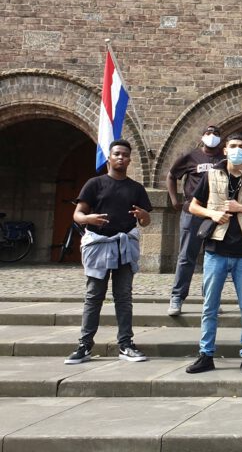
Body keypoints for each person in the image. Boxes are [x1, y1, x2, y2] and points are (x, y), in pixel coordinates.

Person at [185, 132, 242, 375]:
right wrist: (212, 214)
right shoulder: (212, 174)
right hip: (216, 249)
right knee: (209, 305)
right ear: (225, 150)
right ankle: (206, 354)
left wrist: (241, 208)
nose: (237, 150)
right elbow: (193, 205)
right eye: (233, 146)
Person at [65, 139, 153, 364]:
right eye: (117, 154)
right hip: (99, 245)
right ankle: (84, 345)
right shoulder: (94, 184)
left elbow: (145, 221)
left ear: (130, 159)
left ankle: (125, 344)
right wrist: (88, 219)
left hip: (124, 245)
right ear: (109, 158)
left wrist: (143, 216)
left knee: (123, 296)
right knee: (94, 296)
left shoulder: (136, 188)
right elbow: (78, 214)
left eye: (125, 154)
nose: (121, 157)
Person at [166, 125, 224, 316]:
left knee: (214, 258)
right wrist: (174, 199)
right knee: (186, 256)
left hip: (215, 214)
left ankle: (211, 298)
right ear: (202, 136)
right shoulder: (191, 156)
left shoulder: (223, 160)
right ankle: (177, 297)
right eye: (208, 133)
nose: (212, 137)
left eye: (216, 134)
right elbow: (172, 175)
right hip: (193, 212)